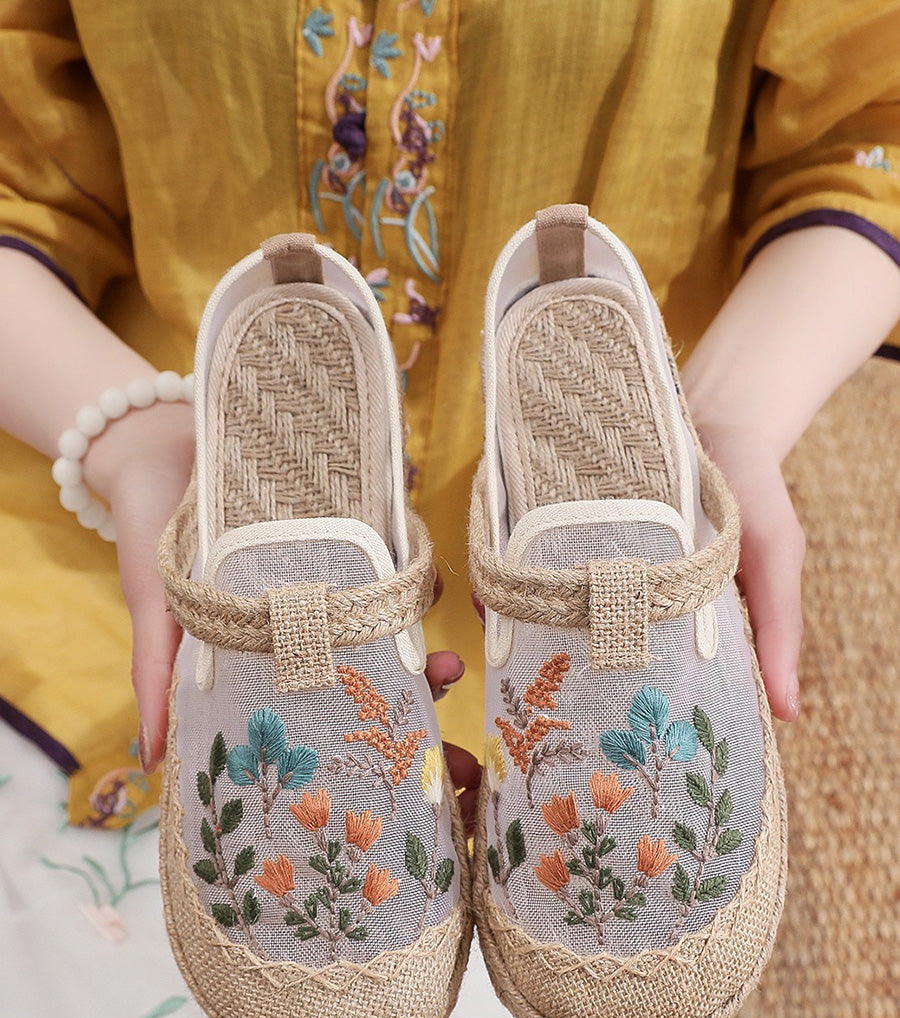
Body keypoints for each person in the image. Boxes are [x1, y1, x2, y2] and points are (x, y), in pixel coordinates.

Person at [1, 0, 899, 908]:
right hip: (133, 516)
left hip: (615, 491)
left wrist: (733, 416)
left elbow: (873, 131)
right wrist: (126, 436)